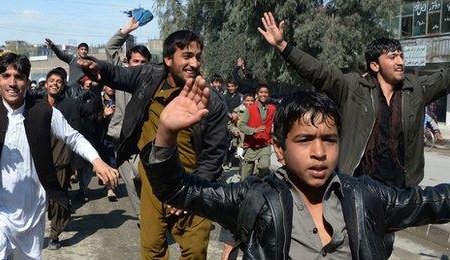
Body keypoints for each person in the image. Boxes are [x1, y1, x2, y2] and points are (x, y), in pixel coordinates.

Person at [142, 83, 450, 259]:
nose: (319, 153)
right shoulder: (255, 198)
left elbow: (432, 203)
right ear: (279, 149)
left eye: (329, 140)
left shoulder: (365, 196)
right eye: (304, 140)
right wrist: (166, 132)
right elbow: (177, 189)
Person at [0, 53, 118, 259]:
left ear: (27, 81)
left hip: (32, 213)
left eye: (18, 77)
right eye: (6, 76)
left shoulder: (44, 112)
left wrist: (97, 160)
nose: (12, 83)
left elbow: (73, 138)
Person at [78, 29, 228, 259]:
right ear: (168, 59)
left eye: (198, 57)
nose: (194, 63)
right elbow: (117, 74)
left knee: (195, 250)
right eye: (187, 56)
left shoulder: (211, 102)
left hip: (192, 182)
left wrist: (193, 194)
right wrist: (99, 67)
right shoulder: (148, 76)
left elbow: (214, 154)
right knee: (152, 249)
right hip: (151, 181)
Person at [258, 12, 450, 188]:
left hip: (400, 188)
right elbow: (319, 72)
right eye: (392, 57)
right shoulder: (352, 87)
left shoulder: (415, 89)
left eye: (401, 56)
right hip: (358, 185)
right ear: (375, 65)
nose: (400, 62)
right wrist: (283, 46)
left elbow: (445, 79)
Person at [43, 67, 103, 250]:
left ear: (63, 86)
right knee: (40, 200)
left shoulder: (70, 105)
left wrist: (92, 88)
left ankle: (54, 234)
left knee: (58, 199)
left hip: (60, 160)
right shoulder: (35, 104)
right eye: (51, 81)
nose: (54, 84)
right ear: (46, 84)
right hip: (38, 159)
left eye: (59, 82)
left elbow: (92, 107)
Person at [104, 16, 152, 220]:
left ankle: (153, 217)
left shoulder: (153, 82)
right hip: (122, 138)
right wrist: (126, 30)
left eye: (143, 62)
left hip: (145, 141)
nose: (138, 65)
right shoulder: (121, 77)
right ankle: (144, 220)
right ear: (128, 62)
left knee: (144, 176)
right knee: (131, 184)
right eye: (135, 61)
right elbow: (110, 49)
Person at [219, 92, 255, 260]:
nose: (249, 103)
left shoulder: (258, 112)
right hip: (242, 146)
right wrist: (234, 132)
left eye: (251, 100)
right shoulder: (238, 111)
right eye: (247, 100)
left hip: (256, 148)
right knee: (244, 178)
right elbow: (230, 125)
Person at [239, 84, 276, 178]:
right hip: (251, 145)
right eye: (261, 92)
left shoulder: (272, 108)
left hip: (264, 144)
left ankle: (257, 180)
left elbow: (276, 124)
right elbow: (241, 126)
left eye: (266, 92)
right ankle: (245, 188)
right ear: (257, 94)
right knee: (246, 176)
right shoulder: (250, 109)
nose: (263, 94)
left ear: (268, 94)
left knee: (264, 166)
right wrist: (254, 130)